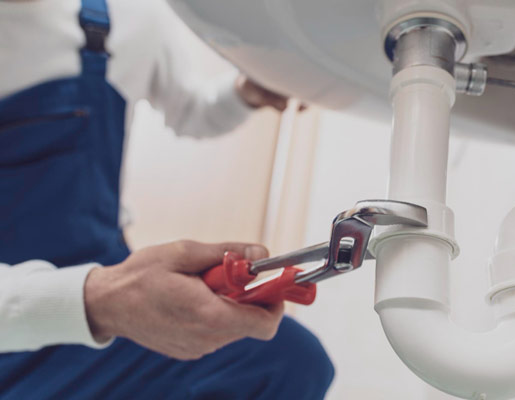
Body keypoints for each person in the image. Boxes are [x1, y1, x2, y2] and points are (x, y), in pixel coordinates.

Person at [0, 0, 334, 398]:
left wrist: (244, 93)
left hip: (102, 293)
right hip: (30, 318)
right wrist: (99, 299)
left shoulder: (128, 19)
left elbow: (192, 111)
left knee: (288, 363)